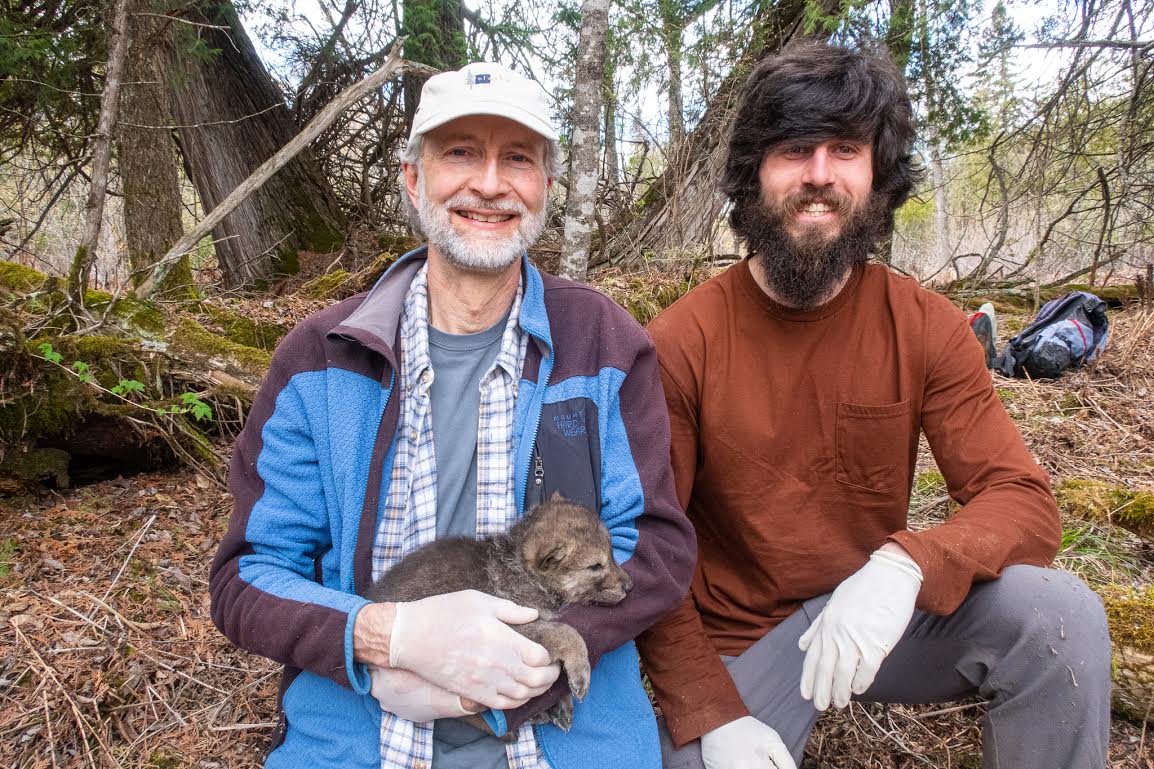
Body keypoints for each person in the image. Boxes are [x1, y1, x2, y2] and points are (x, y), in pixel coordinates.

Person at [635, 43, 1111, 769]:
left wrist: (906, 566)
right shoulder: (682, 341)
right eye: (795, 149)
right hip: (747, 638)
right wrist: (712, 709)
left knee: (1061, 618)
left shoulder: (925, 325)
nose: (820, 175)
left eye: (845, 150)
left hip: (884, 616)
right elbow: (649, 546)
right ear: (753, 174)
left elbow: (1022, 501)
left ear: (877, 175)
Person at [210, 61, 694, 769]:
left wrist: (517, 670)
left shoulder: (604, 343)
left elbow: (653, 547)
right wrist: (384, 640)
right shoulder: (320, 359)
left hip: (568, 741)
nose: (491, 183)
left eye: (518, 158)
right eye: (461, 152)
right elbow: (249, 576)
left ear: (546, 188)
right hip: (359, 742)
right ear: (414, 178)